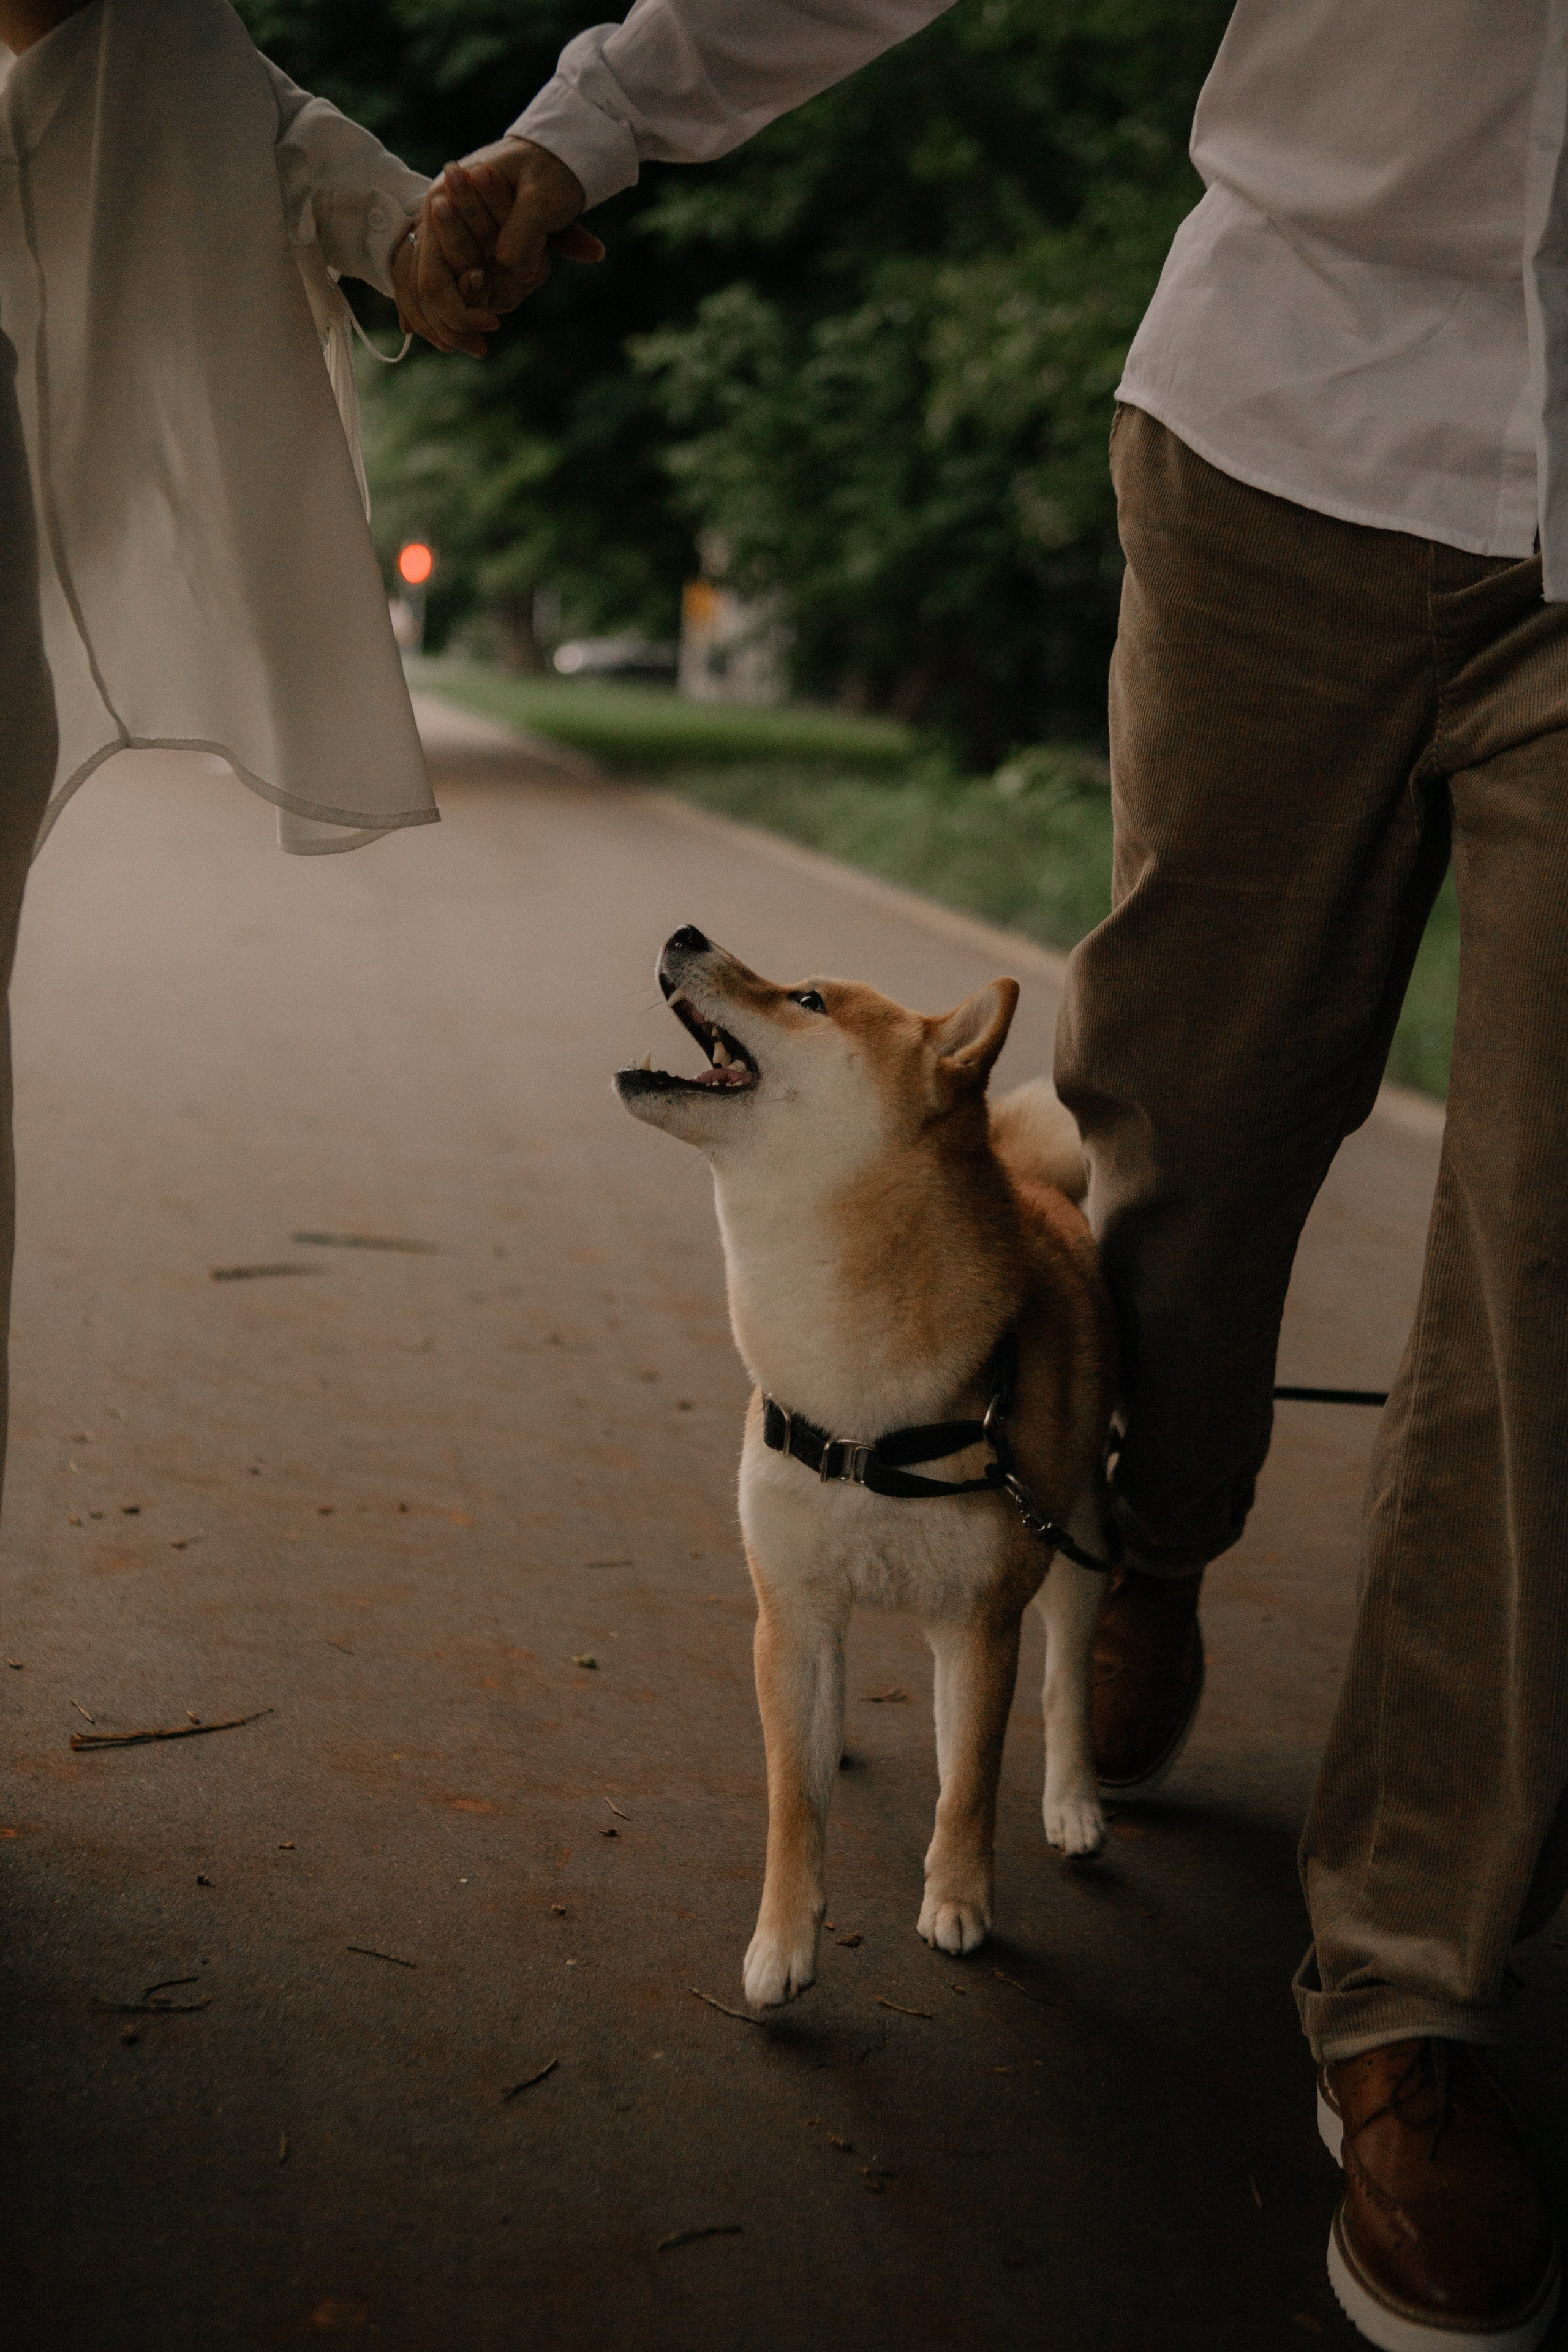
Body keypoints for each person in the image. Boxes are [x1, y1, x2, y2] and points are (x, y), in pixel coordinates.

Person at [409, 6, 1568, 2346]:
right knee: (1195, 1147)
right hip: (1298, 431)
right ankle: (1140, 1522)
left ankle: (1410, 1991)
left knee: (1550, 1257)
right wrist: (590, 127)